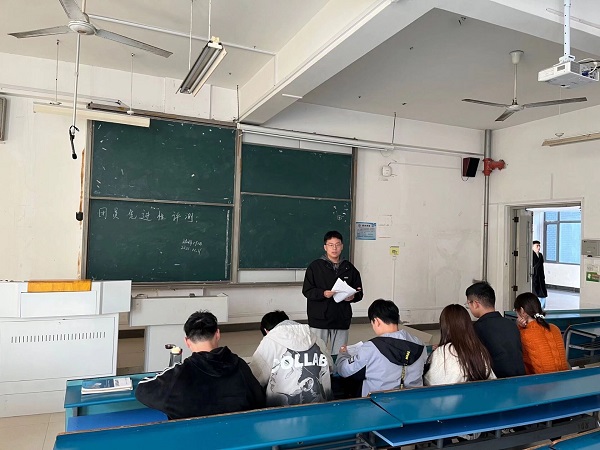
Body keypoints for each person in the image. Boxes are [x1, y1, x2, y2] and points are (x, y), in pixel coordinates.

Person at [136, 310, 265, 420]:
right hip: (238, 436)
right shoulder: (240, 366)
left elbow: (142, 390)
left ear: (187, 341)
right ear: (217, 334)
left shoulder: (178, 375)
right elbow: (259, 399)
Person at [335, 299, 426, 396]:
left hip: (377, 403)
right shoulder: (420, 344)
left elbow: (344, 370)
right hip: (414, 400)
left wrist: (343, 354)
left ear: (377, 321)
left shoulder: (371, 348)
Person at [249, 310, 333, 406]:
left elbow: (254, 379)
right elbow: (331, 368)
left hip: (280, 412)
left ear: (266, 331)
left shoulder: (270, 341)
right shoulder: (316, 338)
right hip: (324, 407)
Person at [302, 230, 363, 356]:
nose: (334, 248)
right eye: (331, 245)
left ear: (342, 246)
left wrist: (352, 297)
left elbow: (359, 292)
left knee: (340, 354)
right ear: (325, 247)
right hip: (319, 318)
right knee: (318, 353)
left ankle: (337, 369)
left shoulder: (349, 268)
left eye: (337, 244)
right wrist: (323, 293)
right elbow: (307, 290)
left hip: (341, 317)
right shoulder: (315, 267)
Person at [465, 282, 525, 378]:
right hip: (520, 380)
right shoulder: (511, 324)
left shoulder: (476, 329)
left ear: (475, 304)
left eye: (468, 304)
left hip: (495, 383)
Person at [424, 304, 496, 386]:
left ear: (444, 326)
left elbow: (433, 383)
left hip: (452, 393)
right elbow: (491, 378)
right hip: (481, 393)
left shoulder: (442, 352)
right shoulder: (479, 349)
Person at [514, 292, 569, 374]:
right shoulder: (554, 328)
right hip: (565, 377)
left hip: (542, 380)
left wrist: (519, 327)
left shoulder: (523, 334)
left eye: (515, 310)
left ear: (522, 311)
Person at [532, 240, 548, 308]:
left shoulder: (540, 255)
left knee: (542, 293)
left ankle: (541, 308)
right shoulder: (531, 255)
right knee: (536, 292)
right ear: (532, 247)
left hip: (540, 277)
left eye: (539, 246)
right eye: (537, 246)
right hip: (535, 277)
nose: (538, 247)